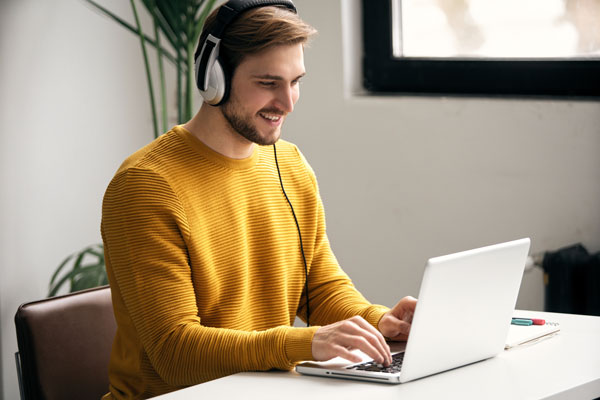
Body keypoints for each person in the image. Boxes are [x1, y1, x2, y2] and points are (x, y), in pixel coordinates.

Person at [100, 1, 417, 399]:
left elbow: (317, 287)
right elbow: (174, 351)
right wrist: (304, 344)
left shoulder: (289, 163)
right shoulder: (146, 186)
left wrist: (379, 321)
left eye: (296, 81)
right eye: (268, 83)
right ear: (213, 79)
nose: (288, 103)